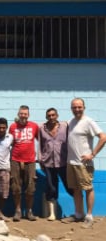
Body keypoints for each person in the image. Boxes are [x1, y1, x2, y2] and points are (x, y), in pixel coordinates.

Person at [62, 98, 106, 228]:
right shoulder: (70, 122)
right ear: (71, 109)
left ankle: (89, 216)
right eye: (74, 107)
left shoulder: (89, 122)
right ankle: (78, 214)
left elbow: (103, 137)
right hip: (71, 162)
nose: (77, 109)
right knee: (76, 189)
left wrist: (92, 154)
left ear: (84, 107)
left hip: (83, 164)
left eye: (79, 107)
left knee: (88, 188)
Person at [38, 108, 73, 221]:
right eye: (49, 115)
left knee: (70, 186)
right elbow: (40, 144)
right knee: (51, 188)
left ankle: (79, 210)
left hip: (63, 162)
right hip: (48, 163)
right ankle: (52, 214)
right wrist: (40, 160)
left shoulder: (65, 126)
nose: (51, 117)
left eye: (53, 115)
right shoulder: (42, 128)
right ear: (46, 117)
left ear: (57, 115)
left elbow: (71, 141)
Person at [9, 105, 39, 222]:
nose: (23, 116)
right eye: (21, 113)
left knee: (31, 187)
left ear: (28, 115)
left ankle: (29, 211)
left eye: (25, 114)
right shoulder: (12, 127)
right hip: (15, 160)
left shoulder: (34, 126)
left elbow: (40, 140)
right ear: (18, 114)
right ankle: (18, 211)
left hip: (30, 161)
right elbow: (9, 142)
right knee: (15, 186)